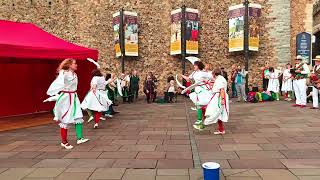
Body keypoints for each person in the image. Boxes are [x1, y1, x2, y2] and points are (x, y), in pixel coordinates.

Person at [46, 58, 89, 149]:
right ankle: (64, 141)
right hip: (66, 98)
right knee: (65, 119)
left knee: (78, 116)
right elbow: (58, 83)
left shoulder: (75, 74)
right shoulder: (64, 73)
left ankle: (80, 138)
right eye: (74, 63)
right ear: (69, 65)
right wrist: (54, 92)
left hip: (74, 97)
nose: (76, 65)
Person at [181, 61, 212, 129]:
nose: (194, 66)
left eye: (195, 65)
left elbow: (212, 77)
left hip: (203, 90)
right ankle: (202, 119)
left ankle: (201, 119)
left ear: (198, 66)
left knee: (201, 104)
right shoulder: (194, 73)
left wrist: (207, 82)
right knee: (199, 105)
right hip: (197, 90)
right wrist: (182, 76)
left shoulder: (203, 73)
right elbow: (188, 79)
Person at [202, 68, 229, 134]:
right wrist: (208, 83)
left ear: (214, 74)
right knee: (219, 113)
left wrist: (222, 99)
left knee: (209, 109)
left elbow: (222, 89)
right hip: (218, 96)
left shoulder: (219, 79)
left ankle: (205, 121)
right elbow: (216, 85)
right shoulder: (220, 79)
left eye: (212, 74)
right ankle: (221, 130)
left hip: (219, 97)